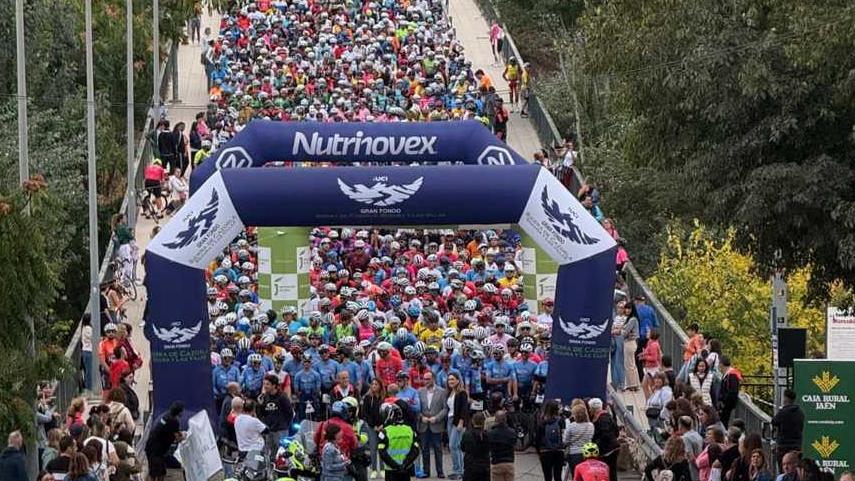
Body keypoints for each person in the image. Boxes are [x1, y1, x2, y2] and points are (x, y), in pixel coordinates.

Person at [377, 403, 420, 481]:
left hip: (391, 470)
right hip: (406, 469)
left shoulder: (384, 432)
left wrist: (396, 466)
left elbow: (382, 453)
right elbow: (416, 450)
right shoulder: (410, 430)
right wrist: (404, 464)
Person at [416, 371, 447, 478]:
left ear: (433, 379)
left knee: (438, 448)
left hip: (436, 424)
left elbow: (445, 409)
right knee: (424, 449)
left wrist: (437, 418)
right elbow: (416, 408)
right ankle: (426, 471)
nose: (426, 381)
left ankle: (440, 471)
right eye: (424, 379)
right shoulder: (419, 392)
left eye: (428, 379)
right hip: (424, 425)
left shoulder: (442, 391)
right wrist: (421, 417)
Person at [144, 401, 185, 481]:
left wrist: (181, 433)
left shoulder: (168, 415)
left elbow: (176, 431)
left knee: (162, 472)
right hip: (155, 451)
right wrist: (186, 436)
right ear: (179, 412)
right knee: (153, 474)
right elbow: (178, 438)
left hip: (155, 448)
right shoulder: (173, 421)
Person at [258, 374, 294, 461]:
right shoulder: (265, 397)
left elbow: (290, 413)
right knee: (270, 455)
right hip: (269, 431)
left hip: (281, 431)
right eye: (264, 384)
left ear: (274, 385)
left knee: (282, 454)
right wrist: (260, 405)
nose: (265, 386)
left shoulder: (282, 397)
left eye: (267, 384)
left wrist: (285, 425)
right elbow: (262, 414)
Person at [771, 389, 804, 470]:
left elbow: (774, 421)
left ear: (785, 398)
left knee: (784, 470)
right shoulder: (800, 412)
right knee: (796, 470)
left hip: (784, 446)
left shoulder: (783, 412)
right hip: (796, 446)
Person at [590, 398, 621, 481]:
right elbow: (616, 432)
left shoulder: (602, 419)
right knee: (612, 471)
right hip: (614, 446)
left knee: (607, 471)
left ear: (593, 409)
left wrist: (597, 444)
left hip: (607, 449)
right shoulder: (608, 416)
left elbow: (605, 435)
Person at [534, 399, 565, 481]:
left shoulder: (541, 422)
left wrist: (539, 451)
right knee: (558, 476)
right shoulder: (561, 420)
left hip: (545, 451)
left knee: (547, 477)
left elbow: (537, 438)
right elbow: (563, 435)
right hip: (559, 450)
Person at [445, 372, 469, 480]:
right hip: (450, 420)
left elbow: (464, 409)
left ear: (458, 380)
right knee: (456, 446)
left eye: (453, 379)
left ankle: (458, 470)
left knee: (453, 445)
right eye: (449, 379)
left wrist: (461, 422)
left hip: (457, 421)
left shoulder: (462, 393)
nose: (451, 381)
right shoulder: (450, 393)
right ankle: (458, 470)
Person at [361, 379, 386, 479]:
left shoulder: (384, 397)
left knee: (382, 448)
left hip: (383, 428)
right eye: (372, 384)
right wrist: (373, 426)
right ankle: (374, 469)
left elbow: (387, 411)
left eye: (376, 384)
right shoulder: (367, 398)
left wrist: (382, 425)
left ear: (380, 386)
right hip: (372, 428)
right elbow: (365, 414)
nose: (374, 386)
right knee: (373, 449)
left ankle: (383, 469)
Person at [564, 403, 595, 478]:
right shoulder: (591, 425)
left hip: (574, 454)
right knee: (587, 476)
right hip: (589, 453)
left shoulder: (571, 426)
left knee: (576, 475)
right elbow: (591, 436)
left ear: (575, 415)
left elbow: (565, 441)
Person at [486, 410, 516, 481]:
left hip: (497, 462)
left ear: (495, 420)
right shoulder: (512, 432)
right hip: (509, 462)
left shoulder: (491, 434)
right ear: (505, 419)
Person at [460, 411, 490, 481]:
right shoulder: (487, 435)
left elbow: (462, 448)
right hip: (484, 466)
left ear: (473, 421)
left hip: (470, 466)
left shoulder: (467, 434)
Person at [717, 356, 742, 426]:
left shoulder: (731, 375)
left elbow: (732, 391)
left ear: (721, 364)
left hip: (727, 405)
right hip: (725, 405)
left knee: (724, 422)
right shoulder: (728, 374)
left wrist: (724, 402)